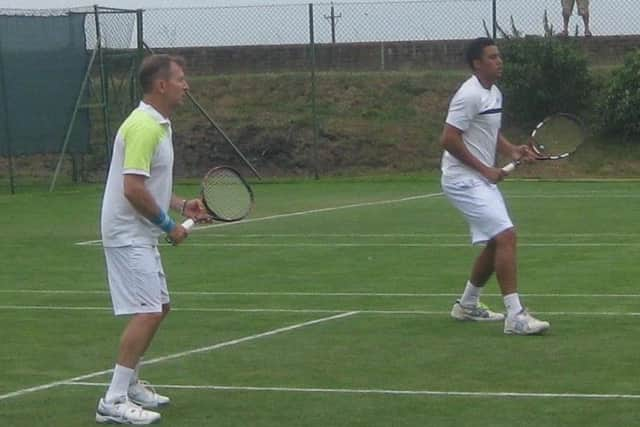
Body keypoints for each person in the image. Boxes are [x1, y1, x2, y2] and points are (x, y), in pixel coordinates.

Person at [96, 54, 208, 424]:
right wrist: (168, 224)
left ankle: (129, 386)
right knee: (147, 311)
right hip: (127, 233)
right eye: (180, 79)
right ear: (161, 85)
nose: (186, 85)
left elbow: (149, 184)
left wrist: (181, 204)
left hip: (139, 232)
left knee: (158, 308)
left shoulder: (159, 125)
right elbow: (132, 189)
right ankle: (112, 400)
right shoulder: (144, 126)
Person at [439, 37, 550, 336]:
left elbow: (489, 132)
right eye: (492, 57)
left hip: (477, 178)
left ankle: (467, 304)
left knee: (496, 240)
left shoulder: (494, 93)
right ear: (477, 63)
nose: (499, 61)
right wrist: (486, 169)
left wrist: (512, 150)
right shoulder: (469, 95)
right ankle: (515, 315)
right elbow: (449, 139)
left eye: (499, 56)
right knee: (506, 236)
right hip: (462, 180)